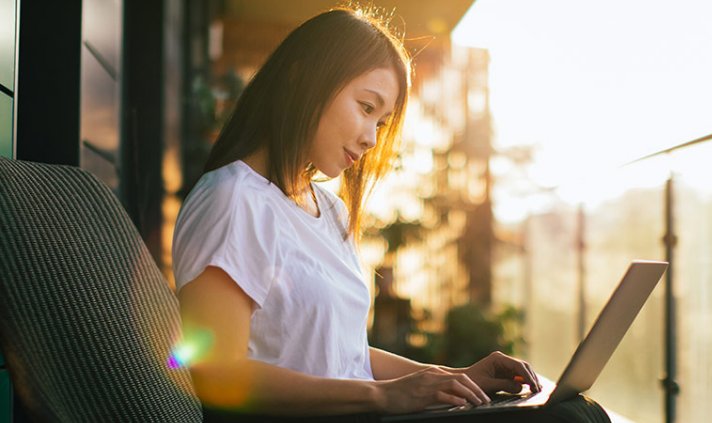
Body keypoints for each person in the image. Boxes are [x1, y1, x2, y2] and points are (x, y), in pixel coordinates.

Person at [172, 6, 609, 423]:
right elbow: (216, 374)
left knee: (573, 410)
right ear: (301, 79)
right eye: (366, 108)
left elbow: (347, 357)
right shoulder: (233, 200)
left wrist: (453, 378)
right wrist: (382, 395)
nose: (369, 140)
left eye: (380, 123)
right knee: (567, 420)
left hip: (365, 415)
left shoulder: (329, 210)